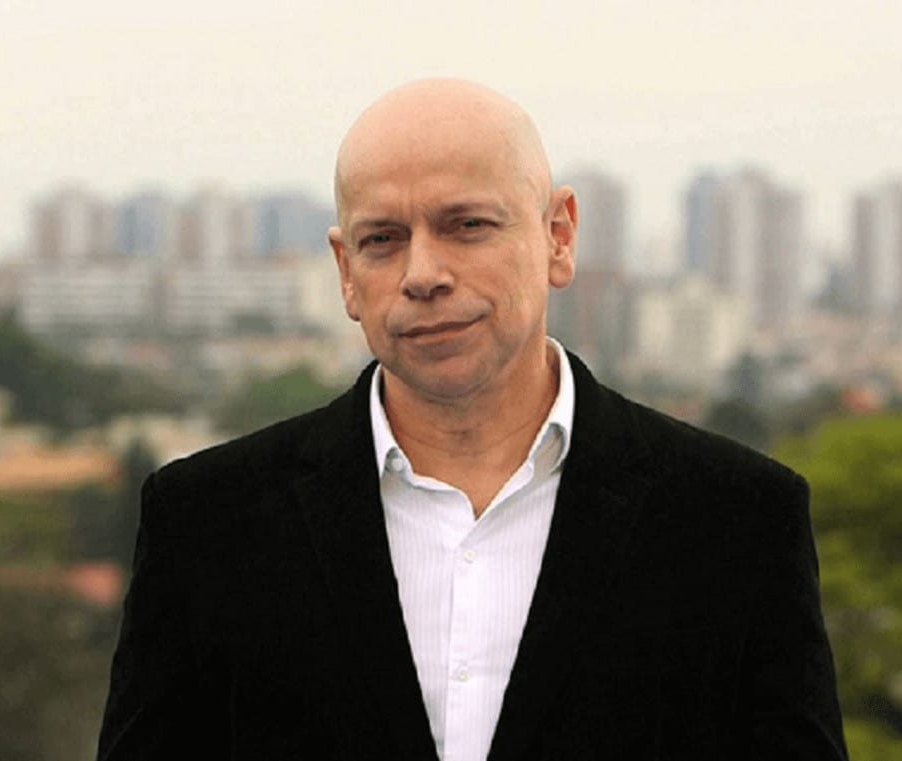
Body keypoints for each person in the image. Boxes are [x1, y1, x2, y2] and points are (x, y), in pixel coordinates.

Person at [96, 79, 847, 761]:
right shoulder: (207, 524)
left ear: (558, 235)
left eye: (467, 225)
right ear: (346, 272)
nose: (423, 274)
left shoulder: (737, 519)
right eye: (383, 239)